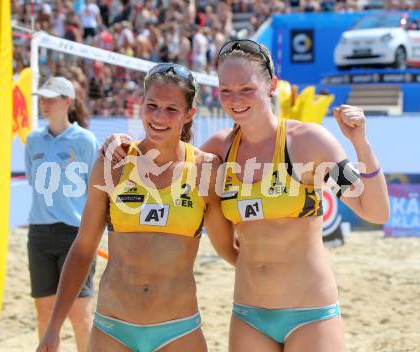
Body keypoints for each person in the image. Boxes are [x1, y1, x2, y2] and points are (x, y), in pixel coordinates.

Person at [100, 40, 390, 352]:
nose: (235, 99)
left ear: (272, 86)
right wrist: (121, 143)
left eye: (246, 88)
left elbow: (375, 211)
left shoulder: (308, 144)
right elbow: (165, 146)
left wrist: (361, 143)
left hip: (310, 312)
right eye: (226, 90)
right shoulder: (217, 151)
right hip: (249, 315)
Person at [36, 64, 238, 352]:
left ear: (189, 114)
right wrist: (54, 327)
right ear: (140, 105)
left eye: (171, 109)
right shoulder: (113, 164)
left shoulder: (205, 170)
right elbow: (83, 249)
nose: (158, 117)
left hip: (178, 330)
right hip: (113, 328)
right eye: (152, 105)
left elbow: (229, 250)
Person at [25, 76, 99, 351]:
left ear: (68, 102)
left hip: (75, 235)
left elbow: (96, 191)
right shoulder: (34, 140)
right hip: (40, 234)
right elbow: (36, 183)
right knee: (44, 315)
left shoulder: (85, 140)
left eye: (51, 98)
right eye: (42, 98)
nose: (44, 103)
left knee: (79, 315)